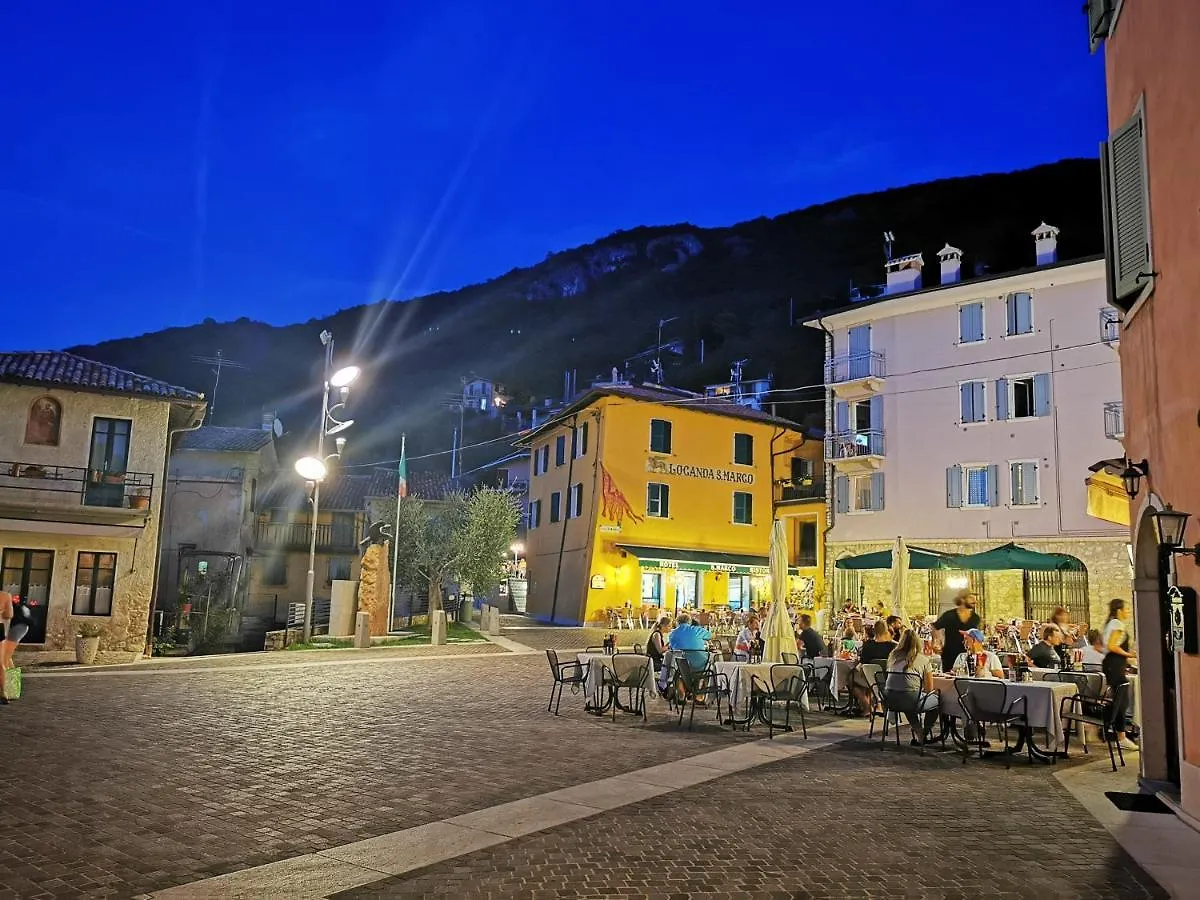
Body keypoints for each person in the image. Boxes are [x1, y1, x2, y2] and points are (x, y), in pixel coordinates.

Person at [884, 629, 941, 743]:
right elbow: (929, 688)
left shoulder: (893, 657)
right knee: (938, 700)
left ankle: (919, 731)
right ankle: (925, 732)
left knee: (907, 698)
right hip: (910, 700)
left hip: (890, 699)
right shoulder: (923, 660)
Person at [1102, 598, 1138, 752]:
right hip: (1114, 665)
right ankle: (1121, 736)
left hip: (1114, 665)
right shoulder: (1117, 624)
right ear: (1119, 611)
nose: (1128, 612)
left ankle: (1119, 734)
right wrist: (1128, 654)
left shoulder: (1112, 623)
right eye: (1126, 609)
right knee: (1121, 700)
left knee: (1121, 699)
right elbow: (1112, 646)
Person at [933, 591, 981, 674]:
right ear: (962, 599)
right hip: (950, 654)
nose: (975, 601)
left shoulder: (975, 618)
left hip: (969, 655)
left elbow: (977, 636)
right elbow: (935, 627)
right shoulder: (949, 615)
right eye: (971, 598)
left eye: (975, 599)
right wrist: (938, 642)